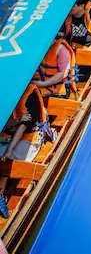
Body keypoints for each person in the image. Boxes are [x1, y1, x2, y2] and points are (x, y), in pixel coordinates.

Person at [0, 84, 51, 218]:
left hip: (29, 140)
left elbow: (22, 128)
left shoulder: (31, 97)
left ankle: (1, 194)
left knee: (7, 158)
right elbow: (6, 124)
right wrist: (17, 119)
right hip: (9, 136)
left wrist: (9, 150)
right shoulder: (6, 96)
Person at [32, 29, 76, 98]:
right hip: (39, 83)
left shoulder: (62, 49)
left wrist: (43, 84)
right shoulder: (38, 48)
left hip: (58, 88)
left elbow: (63, 73)